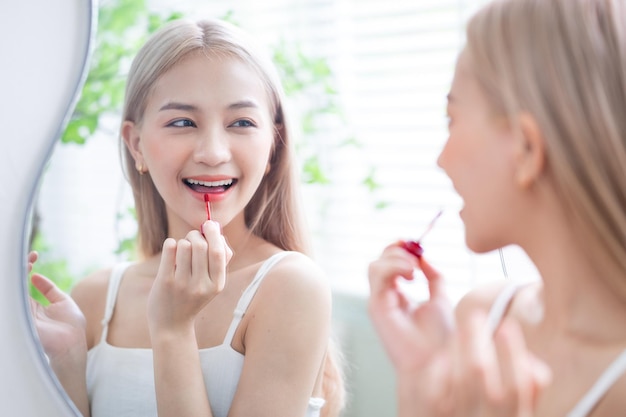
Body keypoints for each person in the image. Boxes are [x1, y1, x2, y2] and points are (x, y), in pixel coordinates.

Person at [29, 18, 344, 417]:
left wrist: (173, 331)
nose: (212, 152)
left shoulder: (290, 287)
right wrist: (68, 359)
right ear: (136, 144)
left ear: (274, 144)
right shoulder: (93, 299)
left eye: (241, 123)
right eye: (182, 122)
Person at [367, 0, 626, 415]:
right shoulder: (482, 316)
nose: (442, 158)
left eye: (452, 119)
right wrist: (419, 378)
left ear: (525, 147)